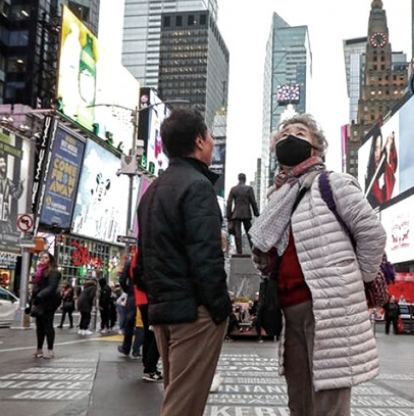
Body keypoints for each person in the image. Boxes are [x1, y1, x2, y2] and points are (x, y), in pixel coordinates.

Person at [249, 114, 386, 416]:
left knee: (329, 403)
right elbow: (267, 251)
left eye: (299, 132)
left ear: (315, 149)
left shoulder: (331, 183)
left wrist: (354, 279)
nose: (290, 137)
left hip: (329, 307)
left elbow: (372, 233)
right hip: (291, 310)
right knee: (299, 401)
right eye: (284, 134)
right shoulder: (278, 198)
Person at [134, 108, 231, 415]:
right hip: (194, 313)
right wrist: (220, 309)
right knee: (183, 407)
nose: (213, 143)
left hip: (163, 310)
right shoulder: (198, 187)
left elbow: (142, 263)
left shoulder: (152, 192)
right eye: (211, 136)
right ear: (200, 141)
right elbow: (206, 256)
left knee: (176, 396)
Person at [30, 253, 61, 359]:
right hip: (40, 301)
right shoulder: (39, 271)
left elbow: (52, 287)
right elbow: (36, 287)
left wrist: (40, 296)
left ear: (50, 260)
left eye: (46, 257)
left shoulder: (54, 272)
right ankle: (39, 349)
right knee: (39, 327)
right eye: (42, 257)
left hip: (49, 302)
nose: (43, 259)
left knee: (48, 325)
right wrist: (31, 302)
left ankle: (50, 350)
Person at [227, 173, 260, 255]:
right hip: (246, 214)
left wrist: (229, 216)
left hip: (236, 214)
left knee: (237, 232)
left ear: (238, 179)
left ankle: (239, 252)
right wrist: (256, 213)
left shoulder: (233, 189)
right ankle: (253, 250)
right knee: (249, 232)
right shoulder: (249, 189)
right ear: (245, 179)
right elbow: (253, 202)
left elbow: (229, 203)